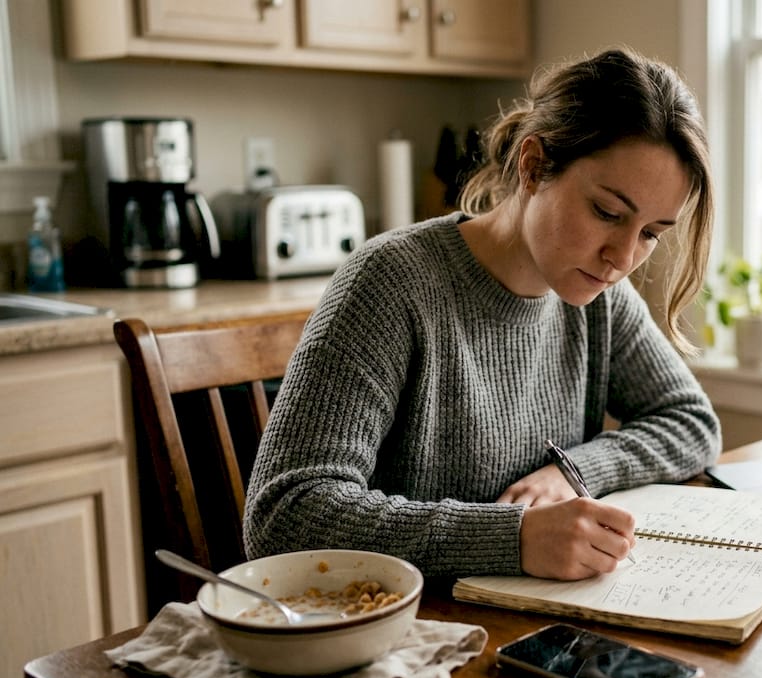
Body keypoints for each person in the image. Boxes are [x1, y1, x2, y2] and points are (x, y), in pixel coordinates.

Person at [243, 47, 721, 582]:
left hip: (528, 625)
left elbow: (691, 422)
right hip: (400, 635)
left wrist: (574, 470)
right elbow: (284, 514)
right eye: (607, 213)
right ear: (534, 165)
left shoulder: (600, 296)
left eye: (652, 233)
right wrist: (511, 537)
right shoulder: (391, 282)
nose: (623, 258)